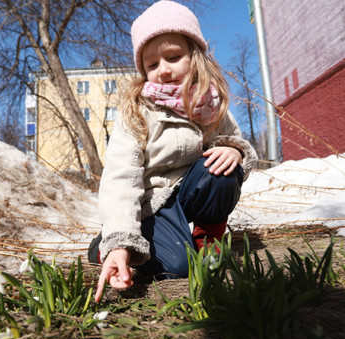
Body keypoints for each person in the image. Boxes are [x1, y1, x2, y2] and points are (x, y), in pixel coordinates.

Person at [89, 0, 257, 302]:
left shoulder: (210, 101)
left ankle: (208, 238)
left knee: (223, 168)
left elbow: (234, 139)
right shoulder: (138, 110)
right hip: (151, 202)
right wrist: (119, 241)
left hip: (190, 190)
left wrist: (235, 151)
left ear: (194, 55)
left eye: (173, 57)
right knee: (178, 267)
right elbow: (121, 178)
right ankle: (108, 244)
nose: (163, 70)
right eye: (152, 64)